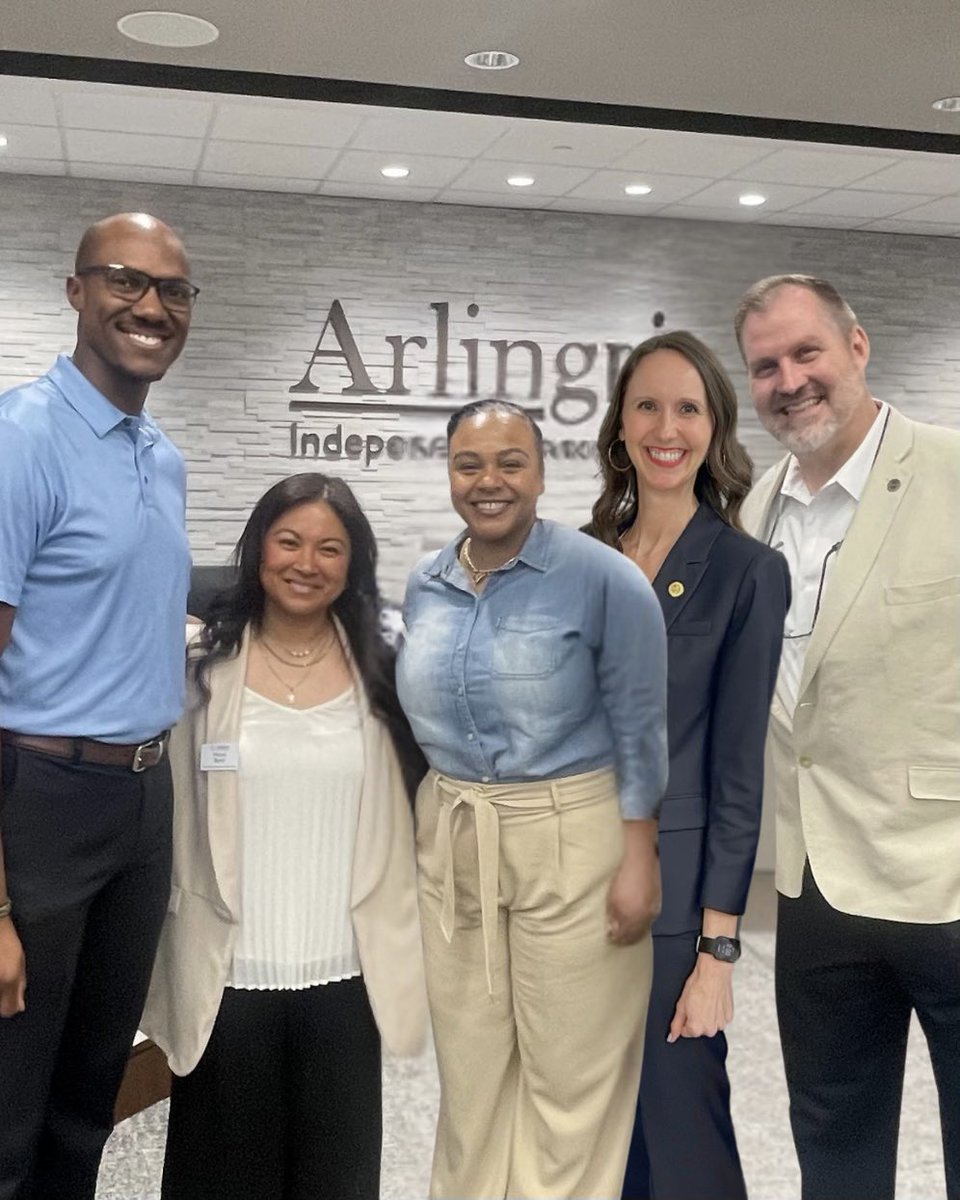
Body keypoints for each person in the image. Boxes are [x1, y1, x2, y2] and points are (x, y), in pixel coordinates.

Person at [396, 399, 669, 1200]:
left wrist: (640, 860)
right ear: (450, 475)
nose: (490, 481)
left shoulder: (604, 580)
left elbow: (642, 727)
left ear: (542, 473)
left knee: (567, 1079)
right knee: (472, 1073)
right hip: (456, 840)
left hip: (573, 838)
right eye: (469, 464)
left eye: (510, 463)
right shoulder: (426, 584)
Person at [140, 472, 428, 1200]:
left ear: (353, 563)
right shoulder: (198, 667)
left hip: (347, 979)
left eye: (330, 548)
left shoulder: (387, 670)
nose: (307, 563)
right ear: (258, 549)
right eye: (289, 541)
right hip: (225, 974)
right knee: (220, 1180)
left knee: (335, 1179)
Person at [736, 274, 960, 1200]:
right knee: (833, 1148)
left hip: (947, 880)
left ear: (857, 346)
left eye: (807, 352)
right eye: (766, 367)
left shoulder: (950, 472)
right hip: (816, 887)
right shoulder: (759, 509)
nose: (789, 381)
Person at [0, 213, 195, 1199]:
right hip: (40, 797)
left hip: (142, 801)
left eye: (174, 290)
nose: (151, 306)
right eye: (126, 280)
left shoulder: (163, 457)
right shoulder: (20, 439)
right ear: (77, 291)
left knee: (88, 1102)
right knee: (9, 1109)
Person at [589, 331, 789, 1200]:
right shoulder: (580, 555)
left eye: (687, 408)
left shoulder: (748, 572)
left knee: (684, 1150)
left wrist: (717, 953)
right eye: (647, 406)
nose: (665, 429)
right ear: (620, 426)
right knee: (595, 1145)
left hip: (674, 914)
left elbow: (739, 777)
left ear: (715, 428)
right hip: (569, 895)